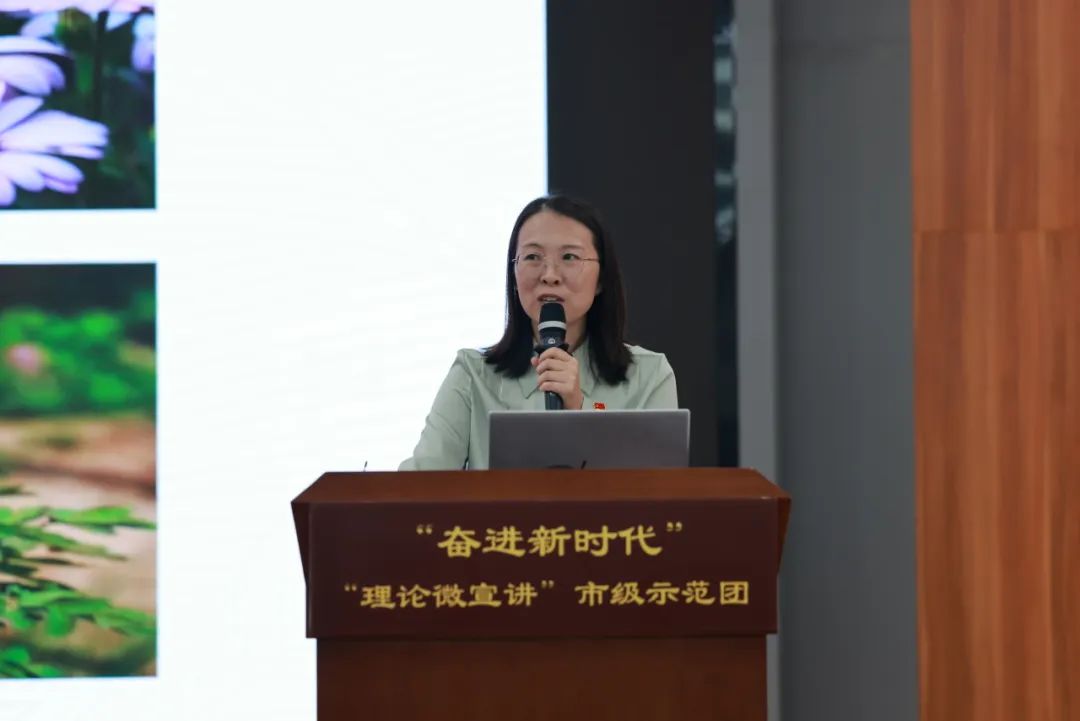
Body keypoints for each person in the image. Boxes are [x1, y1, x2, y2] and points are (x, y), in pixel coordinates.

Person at [399, 194, 678, 470]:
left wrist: (579, 409)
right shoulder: (473, 375)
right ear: (514, 274)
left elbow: (659, 490)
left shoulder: (649, 376)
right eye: (533, 257)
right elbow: (419, 483)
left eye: (569, 257)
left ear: (601, 279)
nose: (549, 275)